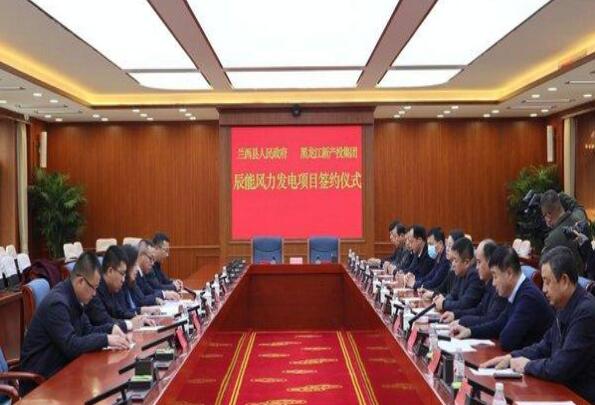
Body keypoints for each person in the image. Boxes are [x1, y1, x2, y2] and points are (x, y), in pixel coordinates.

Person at [481, 246, 595, 403]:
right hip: (561, 390)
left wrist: (527, 365)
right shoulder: (563, 305)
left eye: (547, 282)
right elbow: (544, 346)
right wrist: (511, 357)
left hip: (580, 397)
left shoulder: (586, 312)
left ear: (564, 280)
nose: (543, 289)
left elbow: (561, 366)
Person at [19, 253, 131, 396]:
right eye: (93, 287)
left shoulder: (74, 297)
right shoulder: (57, 304)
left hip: (61, 372)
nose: (95, 294)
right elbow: (71, 346)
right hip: (39, 385)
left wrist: (111, 329)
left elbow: (87, 330)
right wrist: (107, 339)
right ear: (80, 281)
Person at [452, 246, 553, 351]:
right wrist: (470, 331)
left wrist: (501, 329)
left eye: (495, 276)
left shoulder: (528, 297)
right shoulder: (517, 291)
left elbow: (507, 340)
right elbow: (498, 324)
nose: (493, 283)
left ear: (509, 273)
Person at [85, 246, 154, 332]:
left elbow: (120, 312)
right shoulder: (94, 289)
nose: (123, 279)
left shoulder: (112, 287)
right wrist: (130, 324)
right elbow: (104, 320)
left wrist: (139, 318)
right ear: (110, 271)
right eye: (122, 274)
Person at [441, 239, 508, 326]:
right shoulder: (488, 283)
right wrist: (455, 315)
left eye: (479, 262)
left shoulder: (478, 277)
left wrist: (462, 322)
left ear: (490, 262)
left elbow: (490, 319)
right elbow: (479, 310)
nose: (477, 267)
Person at [433, 237, 484, 312]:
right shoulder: (460, 273)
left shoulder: (474, 276)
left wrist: (444, 304)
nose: (453, 264)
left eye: (455, 260)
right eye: (452, 260)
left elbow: (465, 304)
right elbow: (453, 295)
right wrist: (442, 299)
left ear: (466, 263)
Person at [540, 190, 584, 274]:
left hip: (573, 281)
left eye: (544, 216)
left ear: (548, 215)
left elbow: (543, 266)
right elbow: (576, 205)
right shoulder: (580, 216)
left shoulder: (552, 240)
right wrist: (561, 195)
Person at [423, 229, 465, 299]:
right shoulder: (451, 269)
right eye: (447, 245)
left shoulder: (448, 264)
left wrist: (432, 294)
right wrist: (429, 292)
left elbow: (455, 297)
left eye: (450, 246)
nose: (447, 249)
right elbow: (441, 288)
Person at [120, 244, 162, 313]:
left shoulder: (131, 282)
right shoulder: (120, 286)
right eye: (134, 265)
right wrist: (142, 311)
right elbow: (122, 313)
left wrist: (144, 309)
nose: (137, 269)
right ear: (127, 265)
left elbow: (140, 299)